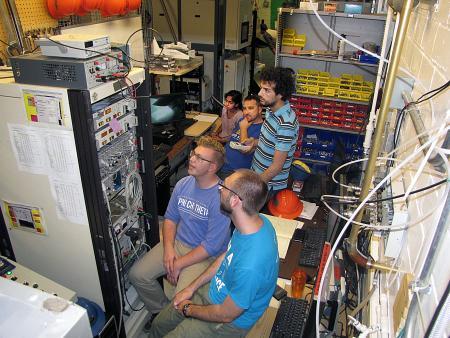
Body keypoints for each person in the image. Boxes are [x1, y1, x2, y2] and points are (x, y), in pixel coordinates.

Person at [148, 169, 279, 338]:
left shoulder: (251, 265)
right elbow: (227, 257)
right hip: (213, 291)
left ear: (234, 201)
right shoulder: (254, 222)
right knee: (159, 324)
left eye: (224, 186)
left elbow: (226, 314)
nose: (219, 188)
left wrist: (189, 309)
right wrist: (191, 288)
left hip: (227, 322)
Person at [129, 136, 231, 332]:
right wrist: (168, 251)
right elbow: (170, 219)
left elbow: (210, 246)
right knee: (138, 275)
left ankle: (171, 320)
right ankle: (160, 313)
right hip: (178, 243)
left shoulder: (221, 197)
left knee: (181, 298)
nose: (192, 159)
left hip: (204, 254)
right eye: (194, 154)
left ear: (212, 168)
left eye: (200, 158)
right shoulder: (184, 183)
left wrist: (177, 265)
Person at [248, 67, 299, 194]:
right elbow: (271, 141)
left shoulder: (285, 124)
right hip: (258, 174)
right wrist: (254, 142)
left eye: (266, 90)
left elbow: (276, 167)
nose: (260, 93)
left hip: (269, 184)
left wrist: (256, 185)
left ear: (280, 94)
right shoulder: (271, 109)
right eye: (261, 88)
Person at [218, 94, 264, 179]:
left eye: (250, 108)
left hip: (234, 172)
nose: (246, 112)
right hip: (221, 163)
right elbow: (233, 138)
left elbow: (245, 150)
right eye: (244, 108)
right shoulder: (242, 121)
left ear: (260, 109)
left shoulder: (263, 129)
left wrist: (243, 128)